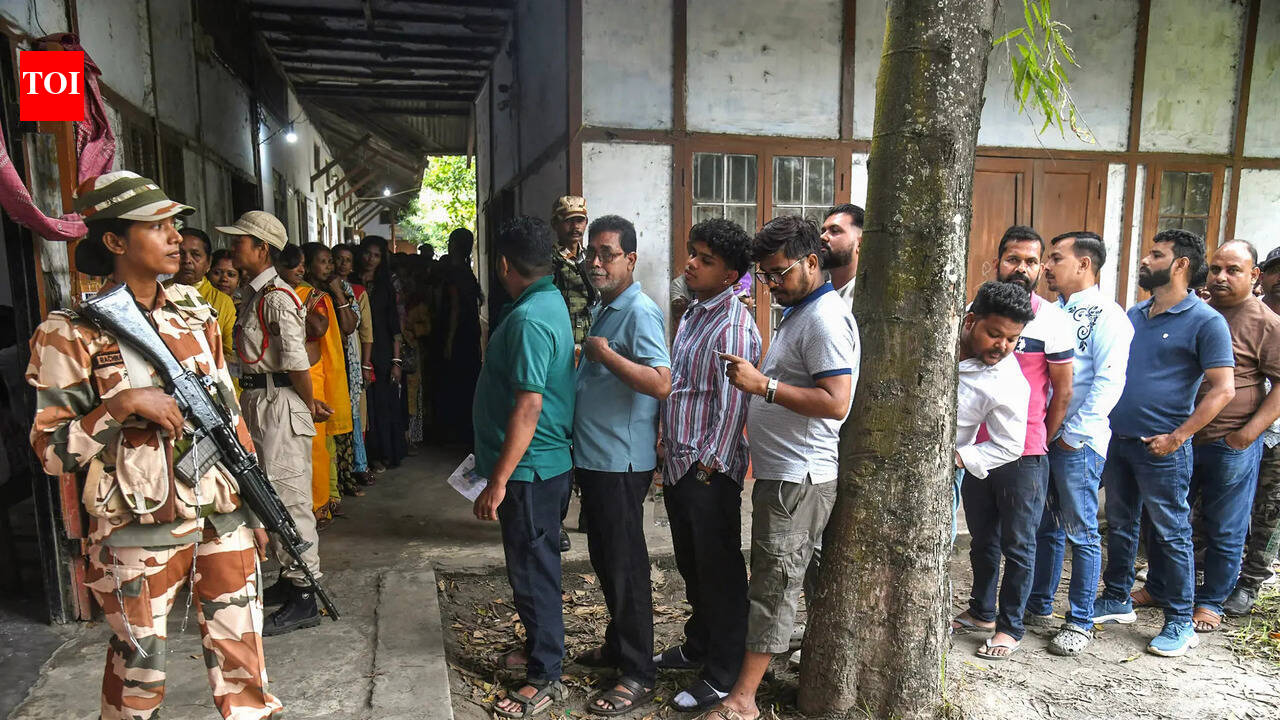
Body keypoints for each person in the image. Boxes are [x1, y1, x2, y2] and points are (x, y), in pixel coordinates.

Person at [27, 170, 282, 719]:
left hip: (222, 512)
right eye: (156, 226)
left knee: (245, 660)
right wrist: (118, 408)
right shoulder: (68, 332)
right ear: (115, 242)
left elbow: (229, 413)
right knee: (139, 671)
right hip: (136, 528)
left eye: (174, 225)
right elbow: (51, 452)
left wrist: (258, 506)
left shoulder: (193, 310)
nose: (174, 238)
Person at [713, 216, 859, 720]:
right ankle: (788, 669)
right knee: (787, 577)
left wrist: (764, 387)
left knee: (773, 586)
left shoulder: (823, 319)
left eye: (778, 274)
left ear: (812, 262)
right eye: (764, 276)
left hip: (799, 478)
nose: (771, 285)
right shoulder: (802, 310)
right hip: (784, 475)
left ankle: (744, 699)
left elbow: (836, 401)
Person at [1092, 229, 1235, 658]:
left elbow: (1223, 389)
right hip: (1119, 441)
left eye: (1156, 254)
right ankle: (1117, 595)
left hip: (1163, 447)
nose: (1145, 260)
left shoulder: (1206, 321)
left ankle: (1178, 620)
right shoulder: (1135, 314)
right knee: (1119, 523)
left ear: (1180, 265)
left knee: (1172, 532)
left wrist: (1179, 436)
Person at [952, 228, 1074, 659]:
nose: (1004, 347)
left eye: (1031, 261)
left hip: (1022, 450)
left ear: (1041, 267)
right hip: (975, 452)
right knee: (982, 537)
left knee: (1019, 542)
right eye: (1012, 259)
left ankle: (1010, 626)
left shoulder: (1050, 325)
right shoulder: (969, 314)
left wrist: (1043, 436)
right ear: (998, 260)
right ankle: (982, 610)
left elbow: (1062, 391)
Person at [472, 216, 576, 719]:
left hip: (531, 470)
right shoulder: (545, 302)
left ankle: (545, 674)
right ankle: (541, 647)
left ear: (504, 264)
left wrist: (498, 480)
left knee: (533, 571)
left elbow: (529, 406)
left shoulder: (532, 318)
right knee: (532, 565)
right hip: (536, 467)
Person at [656, 219, 760, 711]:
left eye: (706, 259)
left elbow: (731, 407)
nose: (691, 263)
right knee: (691, 565)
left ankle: (723, 671)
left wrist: (707, 468)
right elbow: (682, 387)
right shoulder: (696, 312)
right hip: (680, 463)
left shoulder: (734, 325)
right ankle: (699, 643)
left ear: (730, 275)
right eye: (693, 252)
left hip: (707, 471)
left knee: (719, 572)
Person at [569, 215, 671, 714]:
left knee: (626, 566)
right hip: (596, 457)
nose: (596, 261)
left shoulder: (639, 311)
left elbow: (660, 382)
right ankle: (617, 646)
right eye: (593, 252)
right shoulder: (605, 306)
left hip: (621, 461)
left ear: (630, 259)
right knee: (607, 561)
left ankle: (638, 671)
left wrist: (604, 355)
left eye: (607, 253)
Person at [1026, 231, 1134, 656]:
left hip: (1078, 442)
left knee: (1082, 530)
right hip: (1044, 434)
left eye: (1056, 258)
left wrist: (1074, 434)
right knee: (1045, 525)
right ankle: (1038, 604)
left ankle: (1081, 619)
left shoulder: (1109, 316)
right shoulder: (1051, 312)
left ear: (1084, 264)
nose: (1047, 267)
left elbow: (1109, 381)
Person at [223, 211, 330, 637]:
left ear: (261, 248)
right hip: (259, 398)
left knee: (289, 498)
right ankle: (291, 578)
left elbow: (297, 362)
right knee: (270, 496)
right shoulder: (253, 295)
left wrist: (307, 404)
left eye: (240, 242)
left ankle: (307, 590)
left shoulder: (277, 297)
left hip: (279, 401)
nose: (233, 250)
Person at [1173, 240, 1280, 631]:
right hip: (1182, 438)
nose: (1220, 277)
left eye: (1233, 270)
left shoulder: (1265, 322)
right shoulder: (1196, 311)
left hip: (1229, 442)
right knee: (1172, 520)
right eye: (1216, 268)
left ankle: (1212, 600)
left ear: (1254, 276)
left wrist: (1246, 435)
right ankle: (1166, 587)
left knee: (1225, 525)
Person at [954, 281, 1034, 547]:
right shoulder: (940, 324)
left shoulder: (1008, 382)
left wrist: (959, 457)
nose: (1002, 345)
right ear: (970, 321)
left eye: (1012, 339)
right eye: (994, 334)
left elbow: (1010, 445)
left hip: (942, 472)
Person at [1225, 246, 1280, 616]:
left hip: (1275, 435)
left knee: (1269, 513)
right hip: (1239, 428)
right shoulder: (1249, 314)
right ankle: (1207, 574)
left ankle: (1250, 583)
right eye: (1277, 271)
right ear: (1263, 274)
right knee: (1218, 507)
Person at [301, 243, 357, 521]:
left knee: (327, 441)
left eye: (330, 261)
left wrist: (336, 291)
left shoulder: (330, 294)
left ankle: (330, 494)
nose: (329, 267)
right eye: (323, 262)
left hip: (333, 367)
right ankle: (324, 498)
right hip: (312, 372)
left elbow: (348, 325)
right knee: (317, 443)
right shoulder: (300, 296)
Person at [358, 235, 407, 471]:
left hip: (383, 349)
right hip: (357, 348)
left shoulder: (388, 282)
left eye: (376, 255)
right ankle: (367, 456)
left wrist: (397, 360)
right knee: (364, 405)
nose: (371, 259)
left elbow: (394, 324)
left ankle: (386, 452)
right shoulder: (352, 280)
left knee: (383, 402)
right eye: (368, 253)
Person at [435, 228, 484, 446]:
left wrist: (448, 341)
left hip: (457, 334)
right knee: (467, 382)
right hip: (470, 332)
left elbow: (454, 308)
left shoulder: (454, 272)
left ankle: (453, 432)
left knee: (454, 382)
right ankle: (465, 429)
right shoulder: (467, 271)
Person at [332, 243, 373, 490]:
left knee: (355, 413)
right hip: (334, 357)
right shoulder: (321, 289)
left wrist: (366, 364)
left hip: (352, 357)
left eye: (347, 259)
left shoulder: (354, 291)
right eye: (336, 259)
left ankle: (359, 463)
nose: (341, 264)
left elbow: (364, 330)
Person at [172, 227, 236, 361]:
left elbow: (228, 353)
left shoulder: (222, 302)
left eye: (195, 254)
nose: (187, 260)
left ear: (209, 262)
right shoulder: (159, 292)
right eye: (180, 253)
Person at [550, 195, 599, 347]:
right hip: (561, 341)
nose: (575, 227)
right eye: (568, 221)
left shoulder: (591, 259)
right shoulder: (548, 261)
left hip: (588, 341)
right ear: (555, 224)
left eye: (580, 221)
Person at [819, 203, 863, 308]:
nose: (822, 237)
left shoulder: (867, 297)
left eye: (834, 231)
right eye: (823, 231)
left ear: (860, 243)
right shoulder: (818, 296)